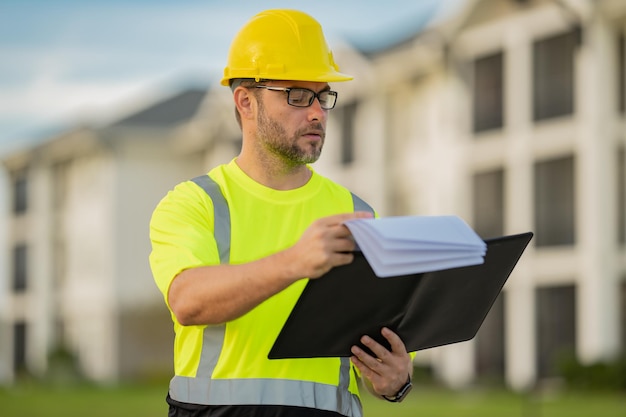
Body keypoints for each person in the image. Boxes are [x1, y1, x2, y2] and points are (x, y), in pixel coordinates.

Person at [149, 9, 413, 417]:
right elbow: (188, 300)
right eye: (296, 95)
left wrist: (393, 380)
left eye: (322, 95)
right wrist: (294, 261)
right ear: (245, 102)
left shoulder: (356, 213)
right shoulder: (194, 202)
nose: (316, 113)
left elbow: (366, 351)